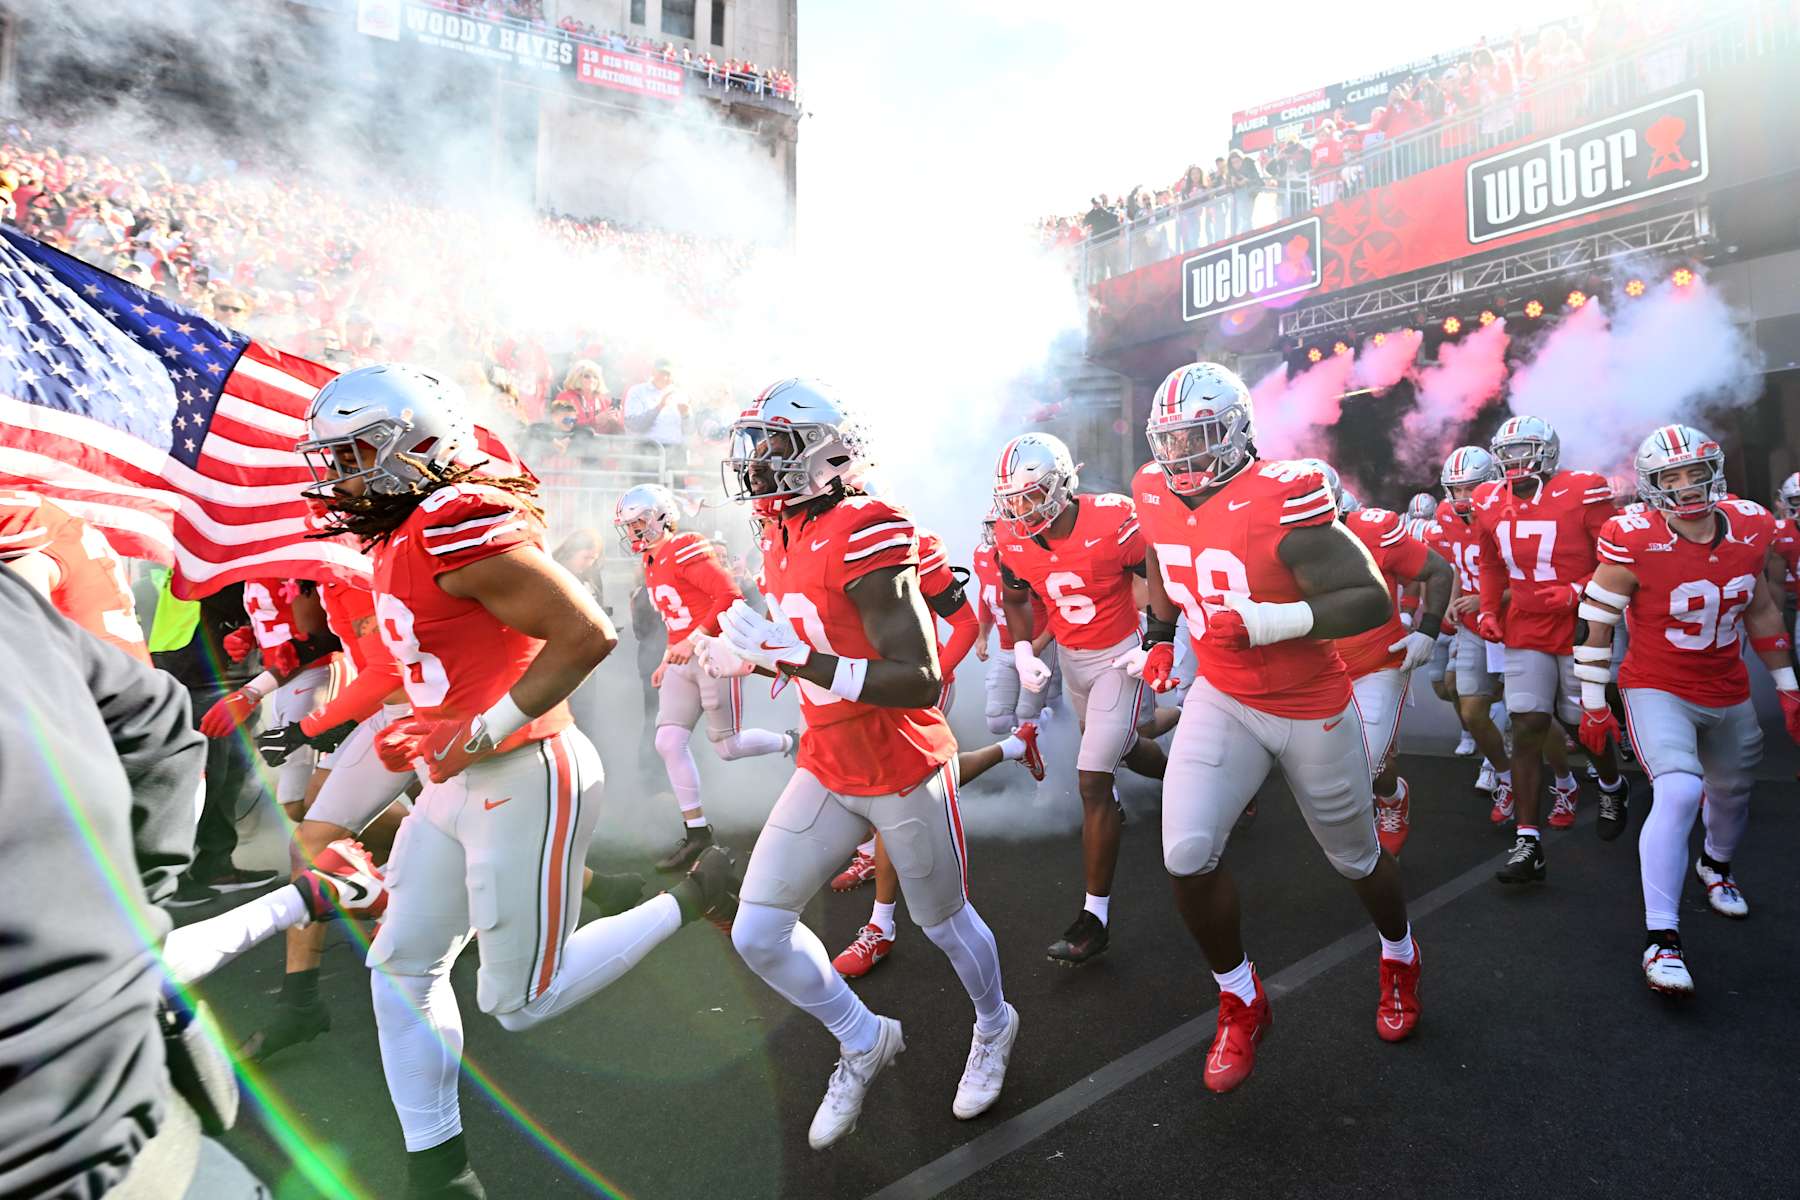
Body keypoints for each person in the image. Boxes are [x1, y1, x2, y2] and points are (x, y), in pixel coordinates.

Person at [298, 364, 737, 1198]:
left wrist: (474, 730)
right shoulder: (402, 531)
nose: (343, 477)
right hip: (455, 781)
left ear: (413, 446)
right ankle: (442, 1170)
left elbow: (587, 632)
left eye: (355, 455)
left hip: (527, 772)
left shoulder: (452, 523)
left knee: (520, 1001)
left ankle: (693, 893)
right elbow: (425, 665)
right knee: (400, 966)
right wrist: (389, 757)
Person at [710, 377, 1019, 1148]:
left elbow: (918, 679)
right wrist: (749, 659)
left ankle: (994, 1023)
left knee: (943, 924)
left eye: (774, 446)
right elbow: (814, 646)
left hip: (901, 762)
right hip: (826, 760)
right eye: (754, 446)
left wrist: (799, 658)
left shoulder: (868, 525)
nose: (757, 464)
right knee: (758, 931)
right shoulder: (776, 529)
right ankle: (861, 1037)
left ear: (823, 454)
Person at [1126, 361, 1419, 1095]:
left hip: (1309, 702)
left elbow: (1369, 599)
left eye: (1199, 437)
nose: (1183, 456)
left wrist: (1269, 620)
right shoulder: (1152, 487)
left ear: (1235, 431)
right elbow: (1164, 560)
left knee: (1355, 860)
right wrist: (1161, 636)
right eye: (1172, 439)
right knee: (1187, 853)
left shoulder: (1286, 493)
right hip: (1222, 697)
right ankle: (1240, 995)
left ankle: (1400, 954)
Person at [0, 567, 274, 1197]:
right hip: (141, 1130)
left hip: (108, 1143)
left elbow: (153, 715)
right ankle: (305, 979)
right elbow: (152, 717)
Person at [1575, 425, 1800, 993]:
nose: (1686, 486)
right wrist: (1594, 703)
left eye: (1694, 472)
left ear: (1714, 472)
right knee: (1679, 790)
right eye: (1670, 477)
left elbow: (1763, 609)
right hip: (1657, 685)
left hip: (1725, 686)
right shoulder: (1631, 537)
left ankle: (1716, 868)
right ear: (1651, 487)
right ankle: (1662, 938)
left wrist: (1787, 685)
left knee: (1732, 792)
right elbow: (1594, 622)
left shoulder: (1751, 525)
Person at [829, 524, 1046, 979]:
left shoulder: (904, 543)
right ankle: (1013, 746)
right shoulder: (808, 546)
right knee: (909, 780)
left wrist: (934, 677)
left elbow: (964, 622)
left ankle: (880, 925)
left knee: (896, 791)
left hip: (905, 688)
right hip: (859, 691)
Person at [992, 431, 1167, 965]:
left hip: (1118, 658)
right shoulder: (1010, 535)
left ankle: (1094, 918)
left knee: (1094, 778)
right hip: (1072, 663)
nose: (1022, 509)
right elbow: (1015, 596)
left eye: (1032, 494)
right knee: (1129, 750)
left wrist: (1158, 637)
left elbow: (1158, 565)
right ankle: (1194, 771)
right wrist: (1023, 649)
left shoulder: (1112, 517)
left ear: (1063, 485)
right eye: (1013, 498)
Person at [1473, 415, 1630, 885]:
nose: (1515, 462)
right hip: (1525, 624)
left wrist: (1578, 589)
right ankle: (1528, 841)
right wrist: (1487, 609)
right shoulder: (1486, 498)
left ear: (1548, 452)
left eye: (1525, 451)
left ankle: (1610, 783)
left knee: (1583, 722)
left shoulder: (1583, 488)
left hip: (1582, 621)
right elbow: (1489, 561)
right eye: (1508, 453)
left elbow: (1617, 553)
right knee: (1526, 723)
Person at [614, 483, 795, 871]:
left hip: (714, 653)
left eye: (640, 522)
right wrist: (667, 656)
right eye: (629, 525)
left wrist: (693, 641)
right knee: (667, 740)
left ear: (663, 516)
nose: (634, 532)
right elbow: (674, 620)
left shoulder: (684, 547)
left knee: (727, 748)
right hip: (684, 660)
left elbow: (729, 597)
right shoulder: (650, 561)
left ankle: (790, 742)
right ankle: (697, 831)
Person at [1302, 463, 1453, 856]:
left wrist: (1427, 630)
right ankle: (1388, 795)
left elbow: (1437, 569)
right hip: (1317, 670)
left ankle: (1387, 803)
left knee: (1363, 762)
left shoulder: (1373, 530)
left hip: (1376, 665)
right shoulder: (1274, 537)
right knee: (1324, 767)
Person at [1430, 447, 1514, 809]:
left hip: (1516, 622)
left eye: (1472, 488)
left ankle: (1564, 775)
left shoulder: (1510, 512)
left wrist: (1487, 598)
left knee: (1534, 712)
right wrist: (1453, 598)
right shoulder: (1446, 514)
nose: (1463, 498)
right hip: (1472, 626)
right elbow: (1457, 568)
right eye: (1457, 489)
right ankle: (1502, 769)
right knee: (1471, 709)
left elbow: (1534, 574)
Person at [970, 508, 1057, 735]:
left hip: (1039, 645)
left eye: (996, 526)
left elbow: (1058, 608)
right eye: (990, 526)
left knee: (1028, 715)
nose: (992, 532)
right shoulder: (981, 555)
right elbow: (985, 594)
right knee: (998, 721)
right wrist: (983, 635)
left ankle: (1053, 743)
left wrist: (1040, 643)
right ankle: (1035, 735)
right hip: (1007, 648)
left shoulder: (1030, 558)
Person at [622, 357, 690, 453]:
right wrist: (659, 408)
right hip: (646, 451)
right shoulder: (637, 391)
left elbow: (689, 430)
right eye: (661, 373)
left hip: (675, 452)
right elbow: (634, 425)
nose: (665, 377)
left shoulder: (681, 394)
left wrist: (686, 415)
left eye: (668, 374)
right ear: (653, 372)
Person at [554, 358, 622, 433]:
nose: (592, 380)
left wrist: (617, 420)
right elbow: (564, 422)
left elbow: (619, 432)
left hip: (601, 444)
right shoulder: (564, 397)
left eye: (595, 377)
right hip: (575, 443)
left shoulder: (605, 402)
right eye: (587, 376)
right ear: (576, 378)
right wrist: (595, 420)